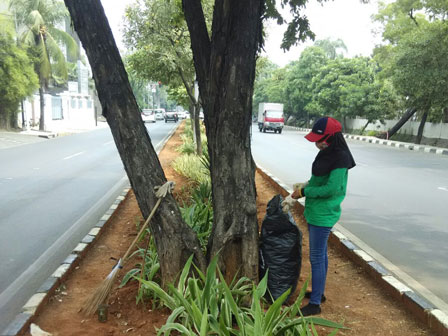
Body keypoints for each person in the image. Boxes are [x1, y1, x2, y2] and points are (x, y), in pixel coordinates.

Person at [283, 116, 355, 316]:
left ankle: (315, 304)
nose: (317, 143)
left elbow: (331, 188)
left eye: (320, 139)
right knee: (320, 254)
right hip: (316, 211)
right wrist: (306, 185)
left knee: (316, 257)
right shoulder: (327, 154)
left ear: (331, 137)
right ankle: (318, 292)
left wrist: (304, 193)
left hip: (324, 214)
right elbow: (318, 180)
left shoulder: (340, 158)